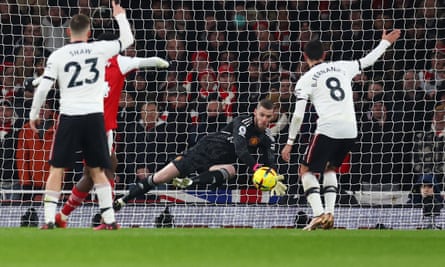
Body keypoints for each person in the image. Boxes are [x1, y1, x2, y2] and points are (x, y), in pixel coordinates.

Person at [281, 29, 401, 231]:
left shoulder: (305, 80)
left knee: (305, 170)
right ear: (325, 54)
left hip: (328, 128)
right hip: (351, 129)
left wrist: (290, 142)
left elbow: (298, 115)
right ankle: (329, 215)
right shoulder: (342, 66)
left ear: (304, 56)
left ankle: (318, 214)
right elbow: (368, 60)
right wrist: (384, 43)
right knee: (329, 168)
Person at [29, 1, 134, 230]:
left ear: (68, 31)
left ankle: (48, 219)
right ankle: (110, 220)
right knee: (97, 170)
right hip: (95, 117)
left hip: (69, 116)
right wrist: (120, 16)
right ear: (89, 32)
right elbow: (127, 41)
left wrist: (33, 114)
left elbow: (44, 88)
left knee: (57, 168)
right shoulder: (99, 49)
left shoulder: (58, 54)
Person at [49, 32, 169, 228]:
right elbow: (145, 61)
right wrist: (161, 62)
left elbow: (142, 61)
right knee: (103, 170)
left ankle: (63, 215)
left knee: (98, 171)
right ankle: (105, 219)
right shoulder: (116, 61)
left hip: (83, 123)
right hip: (99, 127)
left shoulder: (88, 62)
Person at [113, 99, 287, 211]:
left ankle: (190, 182)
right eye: (262, 114)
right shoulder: (243, 121)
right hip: (206, 148)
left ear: (273, 117)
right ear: (256, 111)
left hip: (222, 160)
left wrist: (273, 176)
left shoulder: (267, 137)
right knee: (158, 178)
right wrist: (256, 168)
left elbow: (270, 158)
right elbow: (241, 149)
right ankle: (123, 199)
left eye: (268, 117)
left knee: (231, 170)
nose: (264, 119)